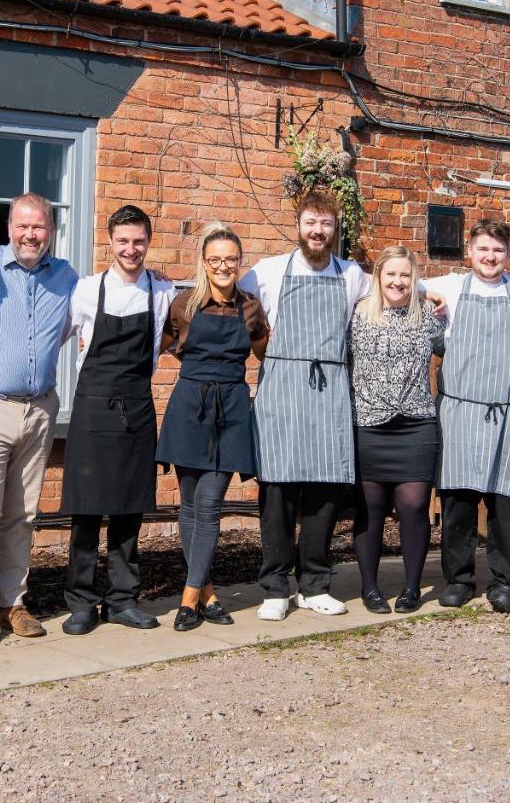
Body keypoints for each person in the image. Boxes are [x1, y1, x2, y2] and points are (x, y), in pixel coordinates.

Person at [0, 193, 78, 649]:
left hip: (40, 409)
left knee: (23, 514)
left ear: (50, 229)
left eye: (39, 227)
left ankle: (13, 603)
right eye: (23, 227)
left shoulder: (66, 276)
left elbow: (69, 326)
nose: (31, 235)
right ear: (9, 228)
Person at [241, 190, 369, 620]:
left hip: (330, 386)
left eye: (326, 224)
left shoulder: (352, 275)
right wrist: (259, 336)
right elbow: (222, 297)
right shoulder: (267, 272)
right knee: (277, 490)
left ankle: (314, 583)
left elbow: (394, 291)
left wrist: (432, 298)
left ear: (336, 229)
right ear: (297, 225)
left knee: (325, 489)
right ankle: (275, 586)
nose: (318, 231)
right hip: (281, 387)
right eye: (311, 222)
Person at [60, 206, 176, 635]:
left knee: (130, 511)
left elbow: (179, 333)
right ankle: (81, 603)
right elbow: (55, 336)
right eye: (123, 241)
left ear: (149, 241)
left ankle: (124, 599)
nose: (131, 249)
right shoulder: (87, 291)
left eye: (139, 241)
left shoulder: (162, 292)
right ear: (109, 241)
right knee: (86, 512)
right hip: (92, 407)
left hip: (137, 408)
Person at [156, 223, 269, 631]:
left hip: (232, 408)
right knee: (188, 505)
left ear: (240, 263)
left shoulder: (252, 308)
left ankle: (188, 599)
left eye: (231, 259)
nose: (223, 266)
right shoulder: (184, 305)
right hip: (189, 406)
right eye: (216, 259)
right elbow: (162, 345)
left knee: (208, 504)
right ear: (204, 262)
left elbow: (264, 351)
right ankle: (208, 593)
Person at [424, 219, 510, 614]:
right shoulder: (453, 286)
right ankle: (459, 579)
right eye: (483, 249)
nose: (490, 257)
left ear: (508, 255)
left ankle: (505, 581)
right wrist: (429, 295)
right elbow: (405, 282)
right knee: (458, 500)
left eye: (498, 251)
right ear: (469, 252)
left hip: (507, 410)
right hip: (460, 410)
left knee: (505, 502)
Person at [348, 246, 446, 614]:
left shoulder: (428, 315)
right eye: (391, 274)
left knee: (415, 506)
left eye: (405, 275)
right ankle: (370, 588)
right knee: (370, 509)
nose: (398, 281)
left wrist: (430, 295)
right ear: (378, 276)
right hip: (369, 425)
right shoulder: (358, 314)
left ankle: (411, 587)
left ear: (414, 277)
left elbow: (446, 346)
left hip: (416, 425)